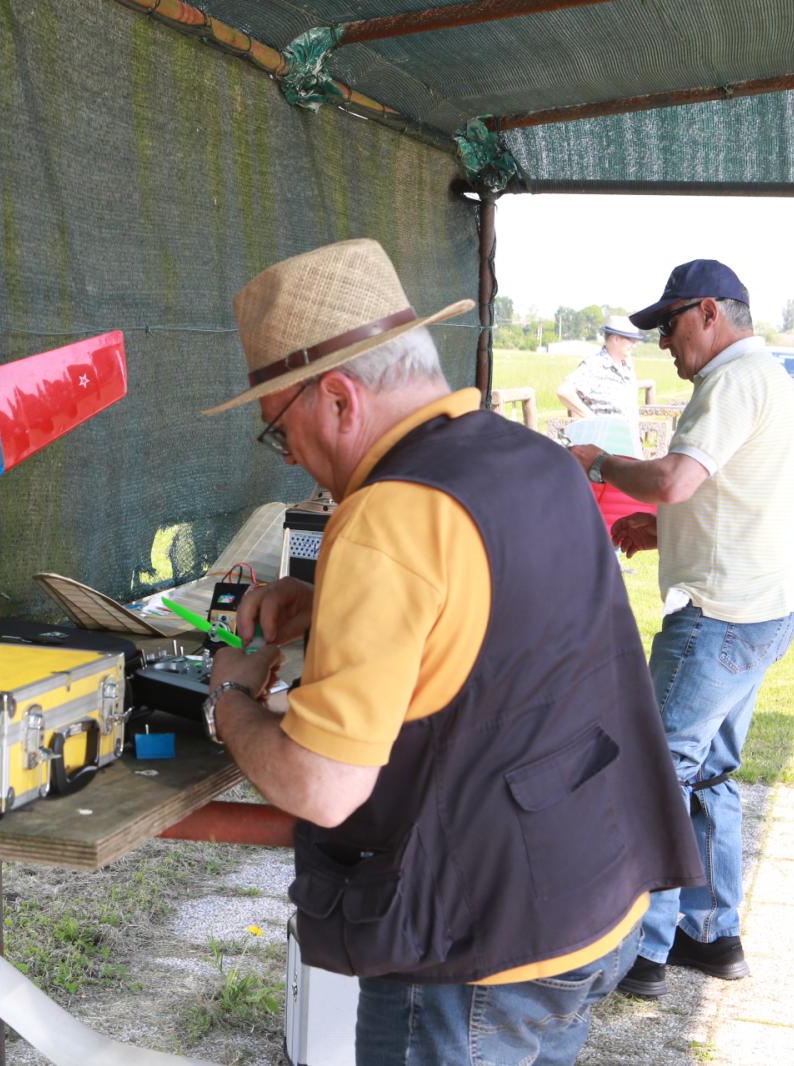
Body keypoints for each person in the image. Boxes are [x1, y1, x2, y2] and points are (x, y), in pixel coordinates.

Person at [199, 238, 701, 1065]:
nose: (291, 458)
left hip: (474, 949)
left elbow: (323, 786)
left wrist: (229, 702)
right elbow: (504, 627)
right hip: (594, 892)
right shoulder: (536, 459)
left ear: (335, 398)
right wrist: (329, 606)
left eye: (278, 435)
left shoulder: (388, 515)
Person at [569, 259, 794, 1001]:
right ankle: (711, 935)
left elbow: (677, 477)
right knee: (709, 773)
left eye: (669, 326)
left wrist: (603, 462)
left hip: (720, 617)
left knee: (655, 771)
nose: (664, 345)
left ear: (709, 312)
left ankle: (642, 951)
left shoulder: (731, 379)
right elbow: (725, 493)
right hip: (766, 607)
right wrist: (662, 526)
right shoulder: (766, 376)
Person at [557, 314, 645, 424]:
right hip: (604, 438)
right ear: (616, 339)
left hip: (627, 438)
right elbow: (564, 391)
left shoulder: (627, 366)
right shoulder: (595, 365)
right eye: (632, 340)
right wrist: (593, 419)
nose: (635, 345)